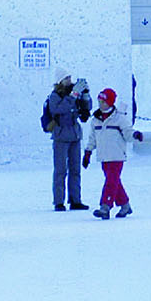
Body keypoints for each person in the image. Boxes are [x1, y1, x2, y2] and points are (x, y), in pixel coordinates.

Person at [40, 74, 91, 211]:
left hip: (74, 135)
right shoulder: (55, 95)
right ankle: (58, 201)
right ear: (59, 81)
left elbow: (85, 112)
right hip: (61, 135)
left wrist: (85, 95)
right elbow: (58, 109)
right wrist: (73, 95)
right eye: (66, 78)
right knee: (60, 170)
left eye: (69, 77)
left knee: (75, 169)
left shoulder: (73, 93)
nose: (69, 80)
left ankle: (75, 200)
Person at [84, 88, 136, 218]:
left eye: (104, 102)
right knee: (113, 181)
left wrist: (135, 135)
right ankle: (125, 204)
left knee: (110, 181)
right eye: (99, 101)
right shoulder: (95, 119)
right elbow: (92, 138)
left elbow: (128, 133)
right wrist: (88, 152)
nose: (101, 104)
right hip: (104, 156)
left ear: (111, 103)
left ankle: (105, 206)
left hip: (116, 156)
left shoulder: (119, 118)